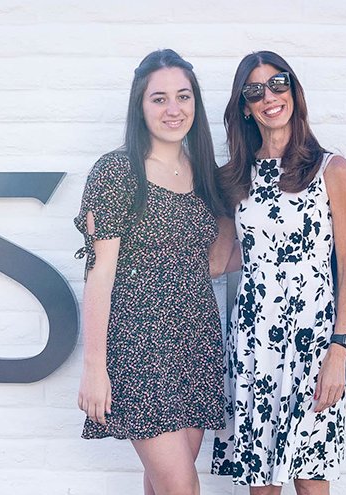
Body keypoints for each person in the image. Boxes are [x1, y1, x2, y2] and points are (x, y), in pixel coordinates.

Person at [76, 48, 236, 495]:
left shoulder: (206, 174)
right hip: (140, 349)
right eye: (159, 98)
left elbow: (215, 264)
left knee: (164, 486)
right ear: (140, 106)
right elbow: (99, 274)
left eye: (183, 97)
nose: (173, 109)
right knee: (182, 488)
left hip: (196, 346)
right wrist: (94, 367)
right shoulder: (117, 172)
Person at [209, 51, 346, 495]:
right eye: (254, 91)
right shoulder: (233, 178)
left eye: (278, 83)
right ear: (244, 106)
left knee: (312, 482)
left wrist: (339, 351)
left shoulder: (333, 169)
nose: (269, 97)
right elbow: (220, 260)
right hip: (254, 342)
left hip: (314, 343)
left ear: (294, 89)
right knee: (261, 486)